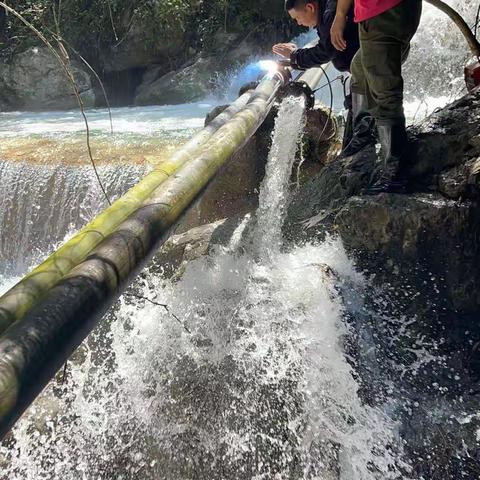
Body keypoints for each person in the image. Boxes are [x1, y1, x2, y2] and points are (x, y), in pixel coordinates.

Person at [330, 0, 422, 193]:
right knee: (360, 67)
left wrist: (339, 16)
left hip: (382, 11)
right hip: (387, 10)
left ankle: (395, 170)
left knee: (383, 84)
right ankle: (364, 132)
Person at [272, 0, 375, 157]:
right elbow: (326, 46)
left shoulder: (330, 14)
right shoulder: (326, 12)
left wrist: (295, 56)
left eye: (296, 18)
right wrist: (295, 57)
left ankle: (364, 157)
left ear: (310, 7)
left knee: (362, 126)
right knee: (356, 120)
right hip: (362, 71)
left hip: (370, 69)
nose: (298, 23)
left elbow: (325, 51)